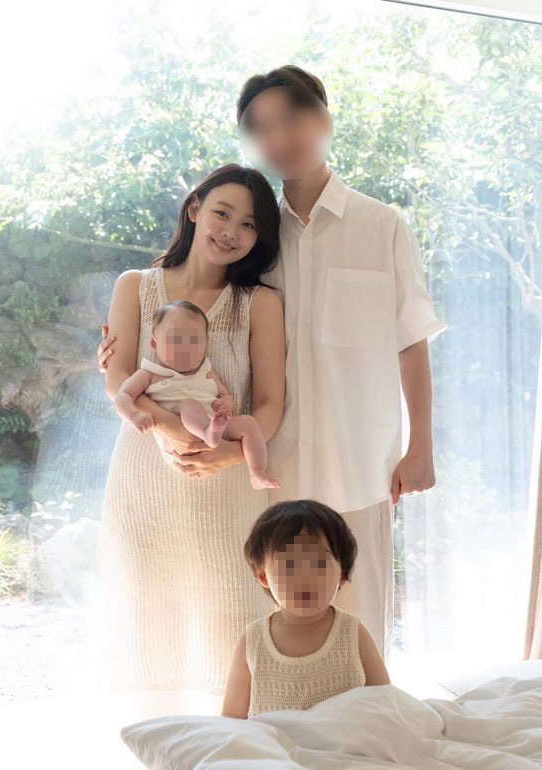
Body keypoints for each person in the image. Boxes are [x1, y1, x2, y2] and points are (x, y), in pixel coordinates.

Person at [98, 64, 446, 662]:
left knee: (360, 629)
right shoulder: (256, 237)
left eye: (293, 118)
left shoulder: (381, 226)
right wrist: (117, 356)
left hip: (357, 460)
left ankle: (364, 721)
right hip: (269, 471)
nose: (280, 137)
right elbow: (189, 316)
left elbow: (411, 340)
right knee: (273, 637)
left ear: (324, 119)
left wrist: (420, 448)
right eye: (262, 128)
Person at [95, 163, 286, 710]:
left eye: (248, 224)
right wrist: (170, 429)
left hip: (227, 488)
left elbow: (270, 404)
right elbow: (117, 378)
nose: (231, 231)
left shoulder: (259, 303)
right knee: (147, 621)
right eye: (222, 213)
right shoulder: (135, 286)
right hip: (143, 481)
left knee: (233, 623)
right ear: (195, 209)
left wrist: (228, 458)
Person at [221, 499, 390, 718]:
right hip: (272, 742)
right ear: (263, 576)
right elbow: (231, 721)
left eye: (319, 563)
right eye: (289, 564)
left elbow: (386, 705)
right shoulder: (253, 641)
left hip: (341, 741)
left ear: (342, 575)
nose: (305, 577)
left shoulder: (352, 633)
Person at [114, 299, 280, 489]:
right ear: (154, 342)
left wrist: (226, 404)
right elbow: (123, 395)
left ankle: (257, 472)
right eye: (174, 340)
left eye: (193, 341)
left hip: (216, 427)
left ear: (205, 347)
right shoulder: (150, 373)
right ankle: (207, 432)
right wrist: (134, 416)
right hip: (178, 440)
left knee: (249, 424)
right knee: (189, 404)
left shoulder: (206, 371)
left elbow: (224, 394)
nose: (184, 348)